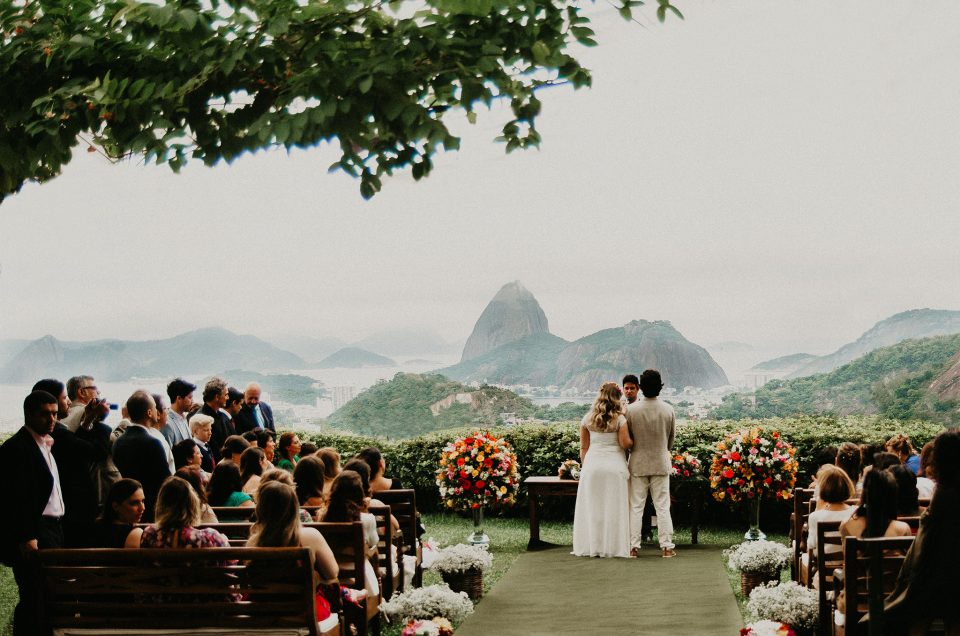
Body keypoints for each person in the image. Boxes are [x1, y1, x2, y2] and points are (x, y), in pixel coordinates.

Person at [0, 391, 64, 636]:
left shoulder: (45, 444)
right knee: (33, 595)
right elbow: (13, 498)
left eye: (55, 414)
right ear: (29, 414)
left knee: (46, 595)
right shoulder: (17, 448)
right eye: (45, 414)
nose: (51, 420)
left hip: (53, 528)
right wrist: (27, 536)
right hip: (36, 531)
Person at [883, 429, 960, 634]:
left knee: (918, 610)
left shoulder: (944, 493)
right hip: (954, 576)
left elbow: (928, 540)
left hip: (936, 576)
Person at [247, 481, 339, 621]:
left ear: (260, 509)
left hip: (261, 614)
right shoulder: (309, 536)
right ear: (294, 507)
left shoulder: (252, 543)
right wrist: (317, 577)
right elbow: (332, 572)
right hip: (301, 613)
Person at [34, 378, 107, 548]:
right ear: (51, 401)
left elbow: (75, 448)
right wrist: (99, 421)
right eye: (65, 397)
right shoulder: (58, 434)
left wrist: (88, 419)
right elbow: (96, 452)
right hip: (74, 513)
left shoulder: (55, 435)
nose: (68, 402)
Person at [571, 381, 632, 559]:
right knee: (613, 507)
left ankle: (592, 545)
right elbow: (624, 444)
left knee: (593, 507)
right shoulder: (620, 419)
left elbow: (584, 448)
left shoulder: (587, 419)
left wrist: (586, 465)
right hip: (614, 467)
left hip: (592, 466)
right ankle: (613, 547)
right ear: (617, 397)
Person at [627, 370, 677, 558]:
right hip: (660, 463)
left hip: (637, 463)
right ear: (660, 386)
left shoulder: (631, 410)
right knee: (662, 506)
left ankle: (633, 547)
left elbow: (627, 440)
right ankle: (666, 547)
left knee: (636, 507)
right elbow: (671, 441)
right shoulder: (668, 409)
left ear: (640, 386)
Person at [112, 391, 173, 522]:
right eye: (155, 408)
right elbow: (165, 480)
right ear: (149, 413)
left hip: (126, 508)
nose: (157, 411)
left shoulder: (119, 442)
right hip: (150, 508)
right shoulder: (152, 442)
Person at [128, 475, 229, 549]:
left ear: (161, 505)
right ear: (192, 504)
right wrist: (223, 540)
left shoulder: (149, 535)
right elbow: (231, 561)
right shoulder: (208, 537)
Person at [321, 471, 379, 597]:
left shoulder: (323, 518)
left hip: (329, 577)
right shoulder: (366, 519)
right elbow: (373, 544)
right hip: (362, 577)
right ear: (359, 493)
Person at [804, 466, 855, 570]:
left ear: (822, 488)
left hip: (826, 575)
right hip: (851, 574)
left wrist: (817, 510)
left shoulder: (816, 516)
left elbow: (811, 547)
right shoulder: (856, 513)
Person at [91, 478, 145, 548]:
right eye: (134, 503)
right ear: (116, 506)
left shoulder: (95, 528)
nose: (142, 508)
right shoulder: (135, 533)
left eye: (143, 501)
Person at [200, 377, 233, 463]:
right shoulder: (201, 420)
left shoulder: (223, 416)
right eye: (226, 395)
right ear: (217, 397)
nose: (228, 398)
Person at [162, 378, 196, 447]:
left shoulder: (183, 418)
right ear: (179, 398)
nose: (192, 401)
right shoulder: (167, 423)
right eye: (189, 397)